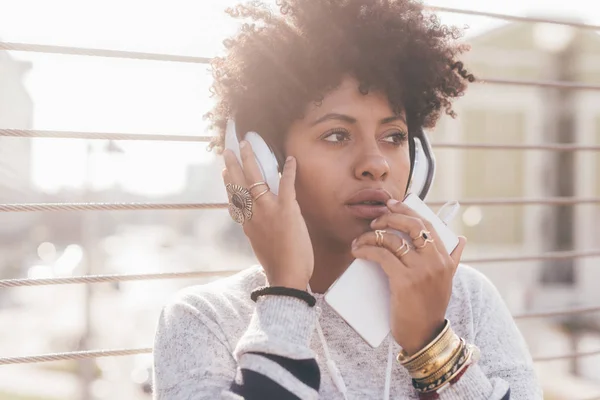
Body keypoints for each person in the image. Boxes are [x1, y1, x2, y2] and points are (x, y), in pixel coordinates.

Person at [152, 0, 543, 399]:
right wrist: (285, 295)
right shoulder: (203, 319)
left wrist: (432, 345)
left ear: (419, 162)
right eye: (337, 135)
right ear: (265, 162)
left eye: (393, 137)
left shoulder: (464, 298)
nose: (376, 165)